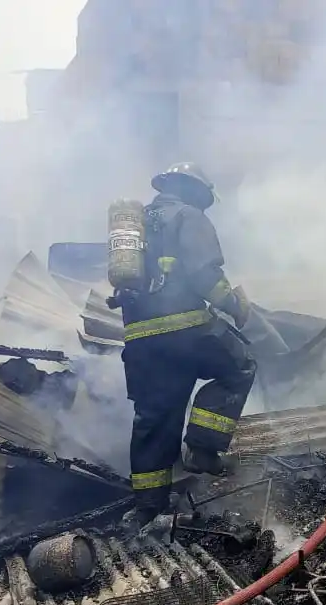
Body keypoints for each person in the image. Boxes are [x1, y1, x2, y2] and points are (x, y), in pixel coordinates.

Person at [119, 162, 256, 523]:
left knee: (156, 418)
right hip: (186, 329)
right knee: (240, 365)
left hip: (140, 341)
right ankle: (202, 449)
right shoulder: (188, 216)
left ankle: (148, 510)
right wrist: (233, 304)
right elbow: (204, 274)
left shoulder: (135, 226)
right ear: (194, 190)